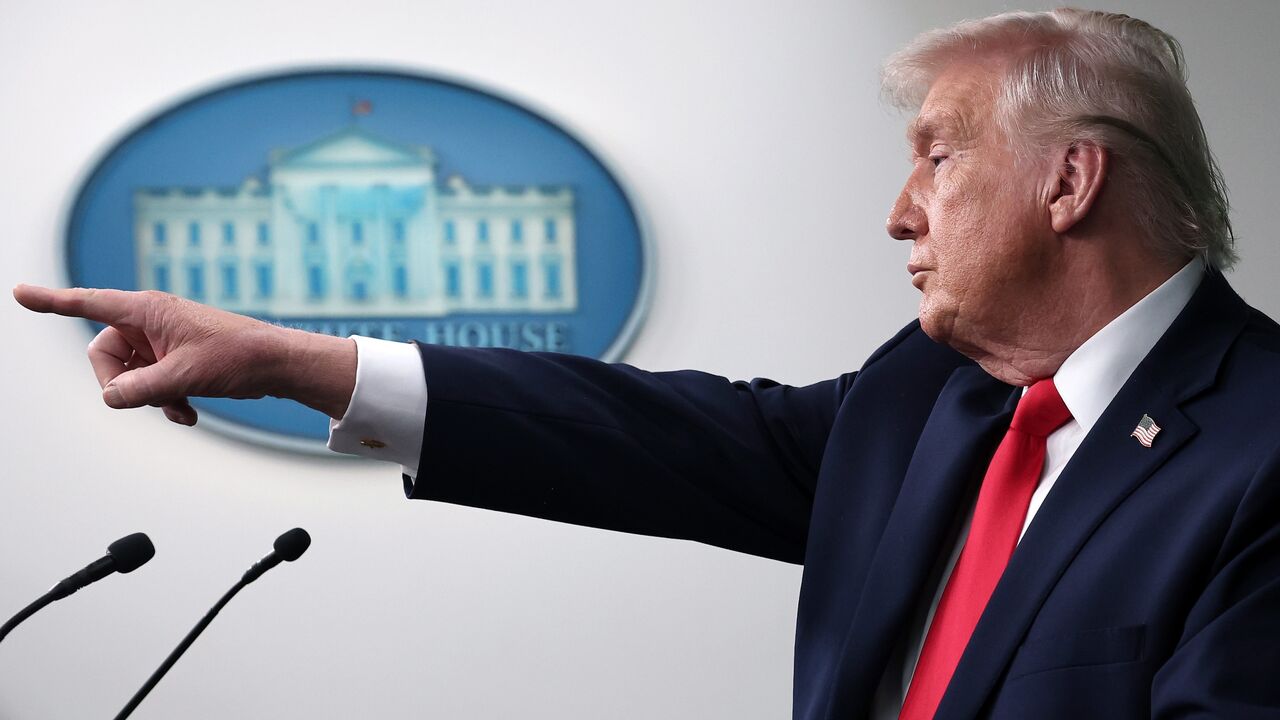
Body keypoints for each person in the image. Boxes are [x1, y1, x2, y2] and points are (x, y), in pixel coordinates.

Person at [14, 8, 1280, 719]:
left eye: (937, 158)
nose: (899, 212)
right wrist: (296, 363)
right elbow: (655, 437)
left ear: (1069, 180)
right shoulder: (931, 395)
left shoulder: (1261, 452)